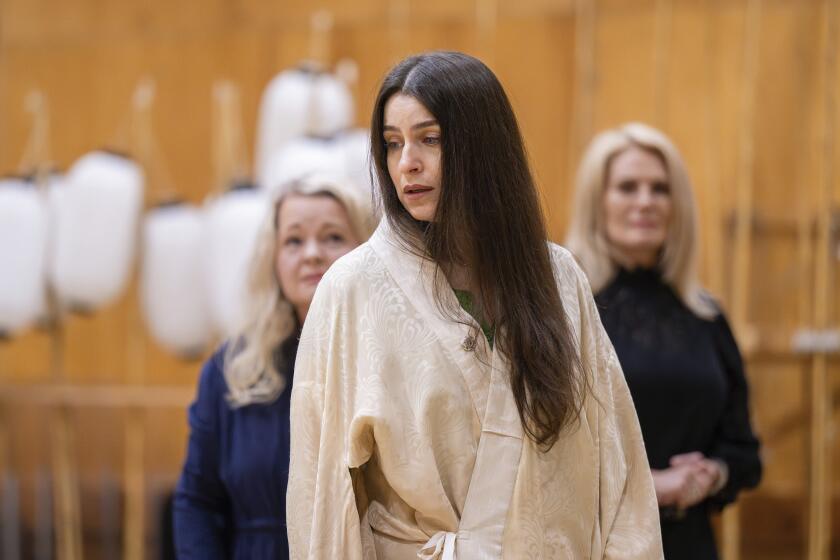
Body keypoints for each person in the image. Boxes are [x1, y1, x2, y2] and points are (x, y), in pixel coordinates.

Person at [287, 51, 662, 559]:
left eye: (430, 139)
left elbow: (623, 481)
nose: (407, 163)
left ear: (483, 146)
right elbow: (323, 496)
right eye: (392, 144)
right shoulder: (351, 290)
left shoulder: (558, 278)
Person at [566, 122, 762, 559]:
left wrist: (711, 475)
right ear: (596, 202)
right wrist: (651, 486)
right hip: (595, 546)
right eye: (627, 187)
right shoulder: (563, 310)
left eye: (660, 189)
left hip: (690, 544)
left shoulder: (705, 315)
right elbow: (544, 458)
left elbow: (743, 449)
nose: (645, 202)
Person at [173, 174, 375, 559]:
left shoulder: (391, 363)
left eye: (333, 237)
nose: (312, 253)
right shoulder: (231, 371)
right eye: (294, 241)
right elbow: (197, 501)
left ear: (365, 251)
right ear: (274, 258)